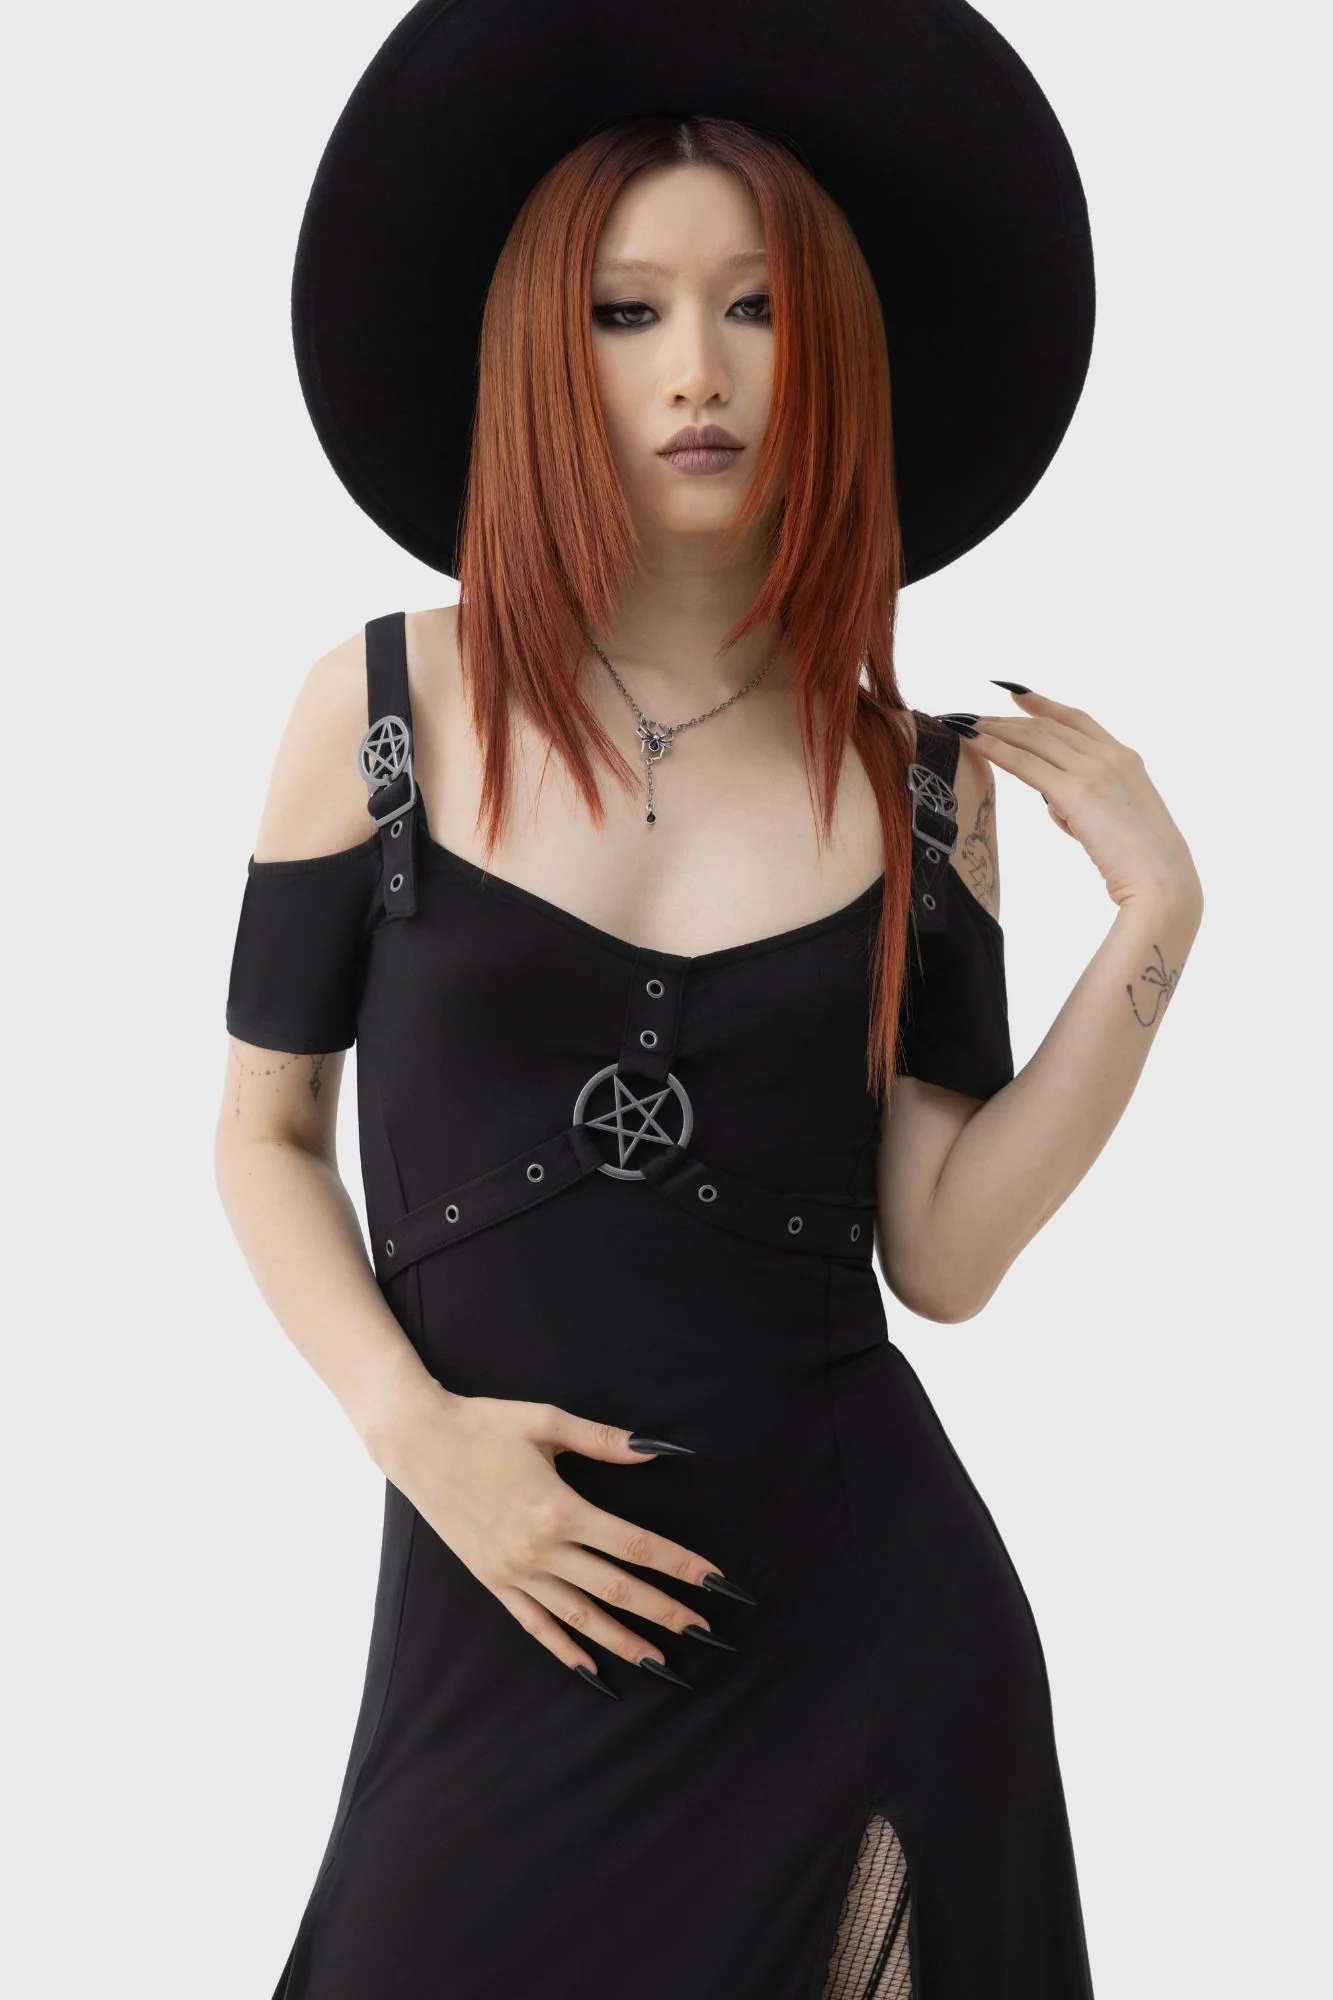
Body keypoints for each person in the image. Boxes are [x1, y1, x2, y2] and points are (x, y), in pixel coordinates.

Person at [215, 9, 1203, 1997]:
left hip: (860, 1639)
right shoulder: (384, 709)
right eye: (629, 311)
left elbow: (944, 1254)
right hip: (493, 1619)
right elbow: (263, 1135)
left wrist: (1157, 926)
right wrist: (416, 1435)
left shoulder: (913, 788)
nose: (698, 370)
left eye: (756, 307)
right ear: (541, 348)